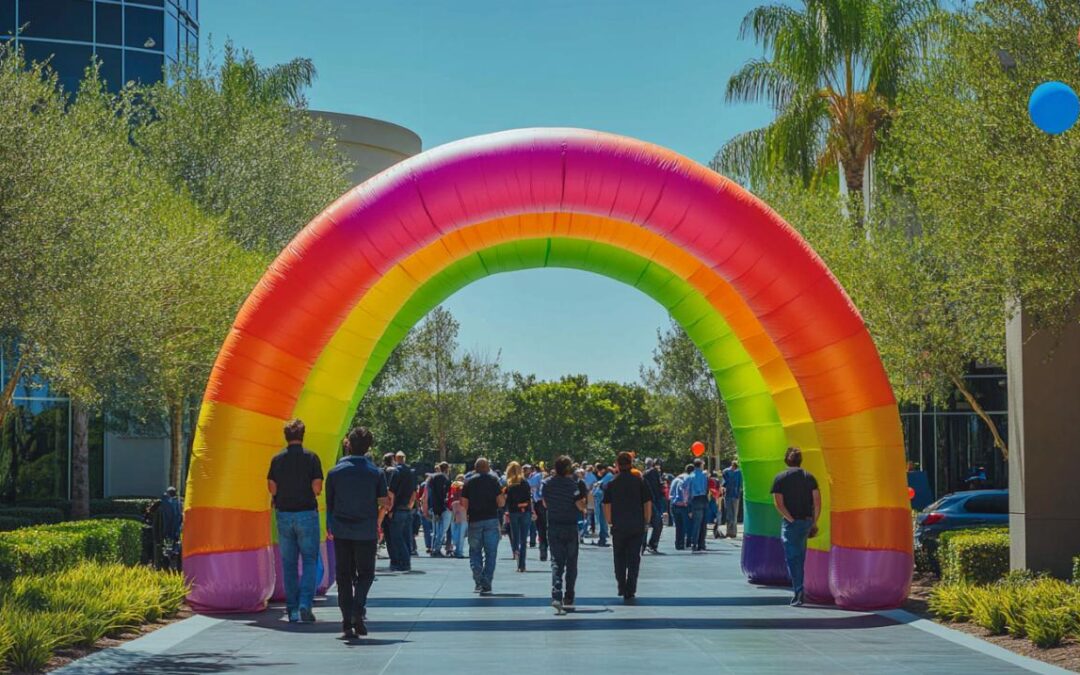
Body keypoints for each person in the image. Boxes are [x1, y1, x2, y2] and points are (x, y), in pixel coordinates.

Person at [325, 427, 389, 638]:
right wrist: (378, 523)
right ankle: (357, 609)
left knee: (343, 575)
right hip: (365, 529)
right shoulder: (376, 473)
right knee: (366, 574)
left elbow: (330, 504)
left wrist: (330, 526)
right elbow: (383, 503)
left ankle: (346, 620)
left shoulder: (334, 473)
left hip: (342, 529)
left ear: (348, 445)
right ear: (368, 447)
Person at [266, 419, 324, 623]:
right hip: (307, 512)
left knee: (289, 563)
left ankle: (292, 610)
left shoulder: (277, 460)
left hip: (284, 514)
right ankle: (305, 604)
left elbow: (272, 488)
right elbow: (317, 488)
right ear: (303, 435)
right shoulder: (312, 458)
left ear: (286, 436)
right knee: (309, 560)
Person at [771, 447, 821, 607]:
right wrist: (814, 521)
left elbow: (778, 503)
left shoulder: (780, 478)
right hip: (806, 521)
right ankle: (799, 587)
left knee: (793, 558)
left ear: (786, 460)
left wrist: (790, 518)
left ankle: (798, 590)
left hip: (791, 522)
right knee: (800, 554)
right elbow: (817, 501)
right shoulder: (809, 477)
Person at [604, 452, 651, 601]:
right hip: (636, 524)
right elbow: (647, 503)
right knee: (634, 558)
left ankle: (621, 584)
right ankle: (630, 588)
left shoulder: (612, 483)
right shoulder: (639, 482)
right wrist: (646, 520)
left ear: (617, 465)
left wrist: (610, 521)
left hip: (619, 525)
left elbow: (606, 504)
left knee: (619, 556)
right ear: (631, 463)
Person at [543, 455, 587, 614]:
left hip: (554, 524)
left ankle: (556, 594)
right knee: (571, 562)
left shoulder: (546, 484)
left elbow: (545, 503)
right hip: (570, 525)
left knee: (556, 561)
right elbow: (580, 505)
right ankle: (569, 595)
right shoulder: (572, 485)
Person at [461, 458, 506, 595]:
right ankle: (487, 581)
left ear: (475, 468)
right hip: (491, 520)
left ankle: (478, 580)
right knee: (491, 553)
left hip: (474, 520)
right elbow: (501, 502)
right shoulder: (494, 481)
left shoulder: (469, 482)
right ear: (487, 468)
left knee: (475, 551)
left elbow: (464, 503)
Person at [386, 451, 417, 572]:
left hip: (398, 508)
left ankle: (402, 562)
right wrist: (410, 505)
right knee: (406, 536)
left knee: (396, 537)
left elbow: (391, 493)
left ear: (395, 459)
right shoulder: (411, 472)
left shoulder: (396, 472)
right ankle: (406, 561)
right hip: (407, 509)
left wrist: (391, 509)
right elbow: (414, 493)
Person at [505, 461, 532, 572]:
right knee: (523, 538)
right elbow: (528, 498)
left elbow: (508, 500)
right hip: (525, 511)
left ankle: (516, 551)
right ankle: (522, 564)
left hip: (513, 512)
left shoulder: (509, 484)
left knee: (515, 536)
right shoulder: (525, 483)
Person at [426, 463, 452, 557]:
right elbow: (440, 495)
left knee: (436, 530)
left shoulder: (433, 478)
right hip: (443, 507)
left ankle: (435, 549)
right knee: (441, 530)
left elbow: (433, 495)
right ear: (447, 469)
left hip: (435, 507)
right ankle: (436, 549)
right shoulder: (444, 478)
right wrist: (438, 511)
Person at [525, 464, 548, 561]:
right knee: (541, 528)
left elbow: (539, 491)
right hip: (536, 504)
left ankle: (543, 549)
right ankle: (543, 549)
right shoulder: (528, 479)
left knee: (541, 527)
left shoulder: (535, 477)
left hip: (538, 503)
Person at [686, 458, 709, 552]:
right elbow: (706, 487)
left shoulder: (690, 476)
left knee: (696, 523)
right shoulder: (704, 475)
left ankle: (694, 543)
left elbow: (688, 491)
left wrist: (689, 505)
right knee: (704, 523)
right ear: (700, 465)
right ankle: (702, 543)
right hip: (703, 498)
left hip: (695, 499)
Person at [642, 459, 664, 553]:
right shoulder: (653, 472)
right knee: (657, 523)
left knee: (646, 524)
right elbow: (657, 487)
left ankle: (643, 545)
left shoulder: (643, 474)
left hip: (648, 501)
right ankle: (652, 544)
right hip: (651, 501)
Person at [591, 465, 613, 547]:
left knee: (602, 518)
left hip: (602, 499)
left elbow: (601, 485)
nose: (598, 473)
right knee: (601, 518)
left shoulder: (609, 476)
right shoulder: (607, 476)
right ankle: (602, 537)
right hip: (600, 498)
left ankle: (602, 537)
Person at [670, 466, 690, 550]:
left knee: (678, 526)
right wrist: (685, 502)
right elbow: (684, 490)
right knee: (685, 525)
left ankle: (678, 543)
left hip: (674, 504)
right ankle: (683, 543)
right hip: (682, 505)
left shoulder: (675, 480)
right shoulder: (686, 479)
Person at [722, 460, 743, 538]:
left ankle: (732, 532)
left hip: (733, 495)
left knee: (733, 515)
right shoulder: (727, 472)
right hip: (730, 495)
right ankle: (730, 532)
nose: (735, 469)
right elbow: (723, 483)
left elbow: (740, 484)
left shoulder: (738, 472)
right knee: (730, 514)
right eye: (734, 467)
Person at [449, 474, 467, 558]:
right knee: (458, 534)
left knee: (458, 534)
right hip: (459, 513)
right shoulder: (455, 490)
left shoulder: (455, 490)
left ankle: (458, 551)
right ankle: (458, 551)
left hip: (459, 513)